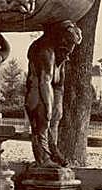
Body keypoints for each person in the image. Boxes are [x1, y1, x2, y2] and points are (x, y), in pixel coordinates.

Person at [24, 20, 82, 167]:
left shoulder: (60, 53)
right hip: (37, 94)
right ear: (61, 39)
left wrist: (58, 105)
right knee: (42, 123)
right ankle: (43, 160)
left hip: (48, 90)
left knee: (54, 121)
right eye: (67, 47)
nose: (68, 53)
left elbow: (59, 84)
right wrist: (49, 106)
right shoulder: (45, 50)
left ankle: (52, 155)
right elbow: (45, 80)